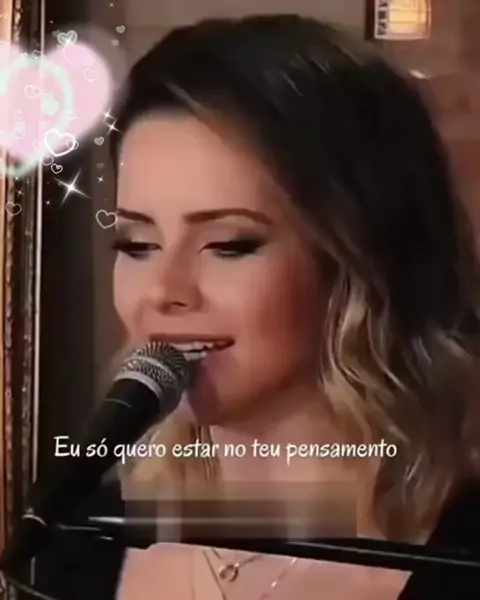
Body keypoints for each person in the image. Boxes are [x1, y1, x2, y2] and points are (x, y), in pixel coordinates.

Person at [39, 14, 480, 600]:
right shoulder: (85, 537)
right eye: (137, 245)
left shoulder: (461, 556)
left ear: (357, 260)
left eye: (229, 244)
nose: (163, 290)